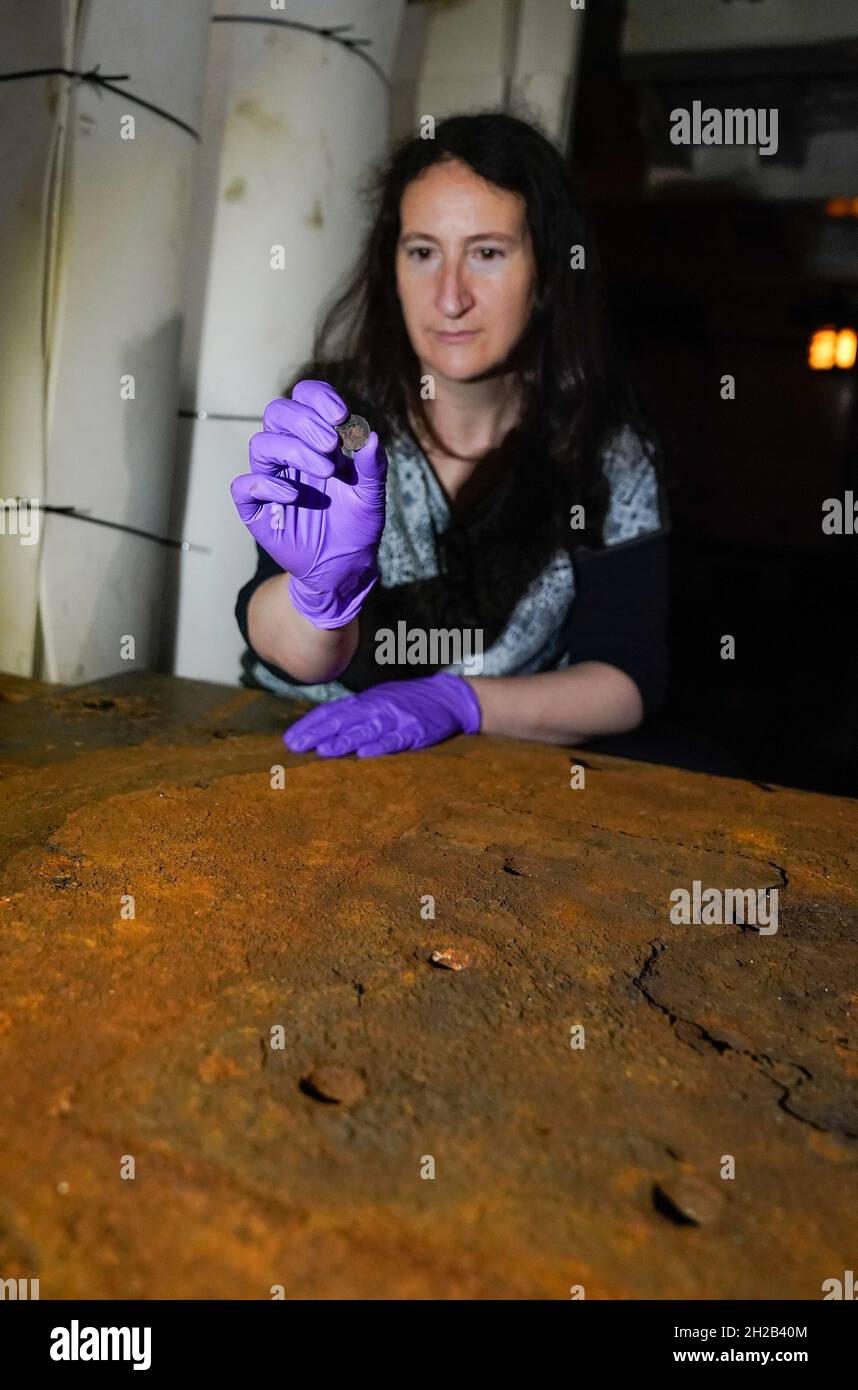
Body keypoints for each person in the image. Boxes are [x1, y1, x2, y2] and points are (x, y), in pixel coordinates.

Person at [230, 111, 671, 761]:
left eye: (487, 253)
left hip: (491, 765)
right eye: (423, 252)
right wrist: (320, 596)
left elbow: (627, 676)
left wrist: (462, 702)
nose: (450, 297)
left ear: (547, 271)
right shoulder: (344, 420)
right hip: (306, 747)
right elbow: (291, 650)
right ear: (394, 268)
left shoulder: (606, 452)